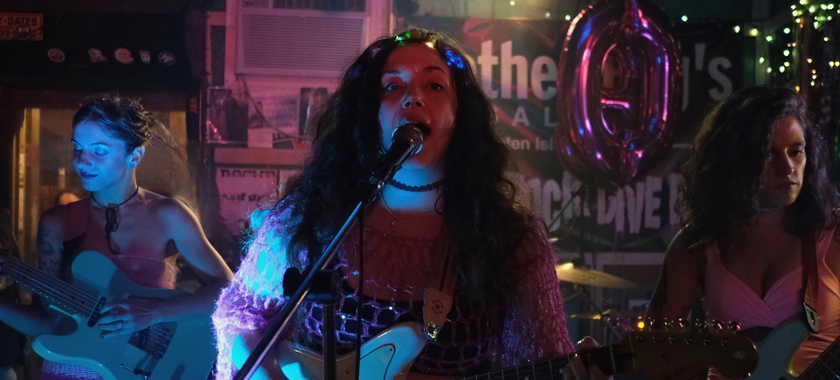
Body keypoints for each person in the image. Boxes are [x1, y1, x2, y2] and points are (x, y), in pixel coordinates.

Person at [211, 29, 586, 379]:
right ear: (370, 114)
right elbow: (242, 321)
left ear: (459, 116)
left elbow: (545, 357)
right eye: (392, 86)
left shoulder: (511, 240)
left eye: (435, 85)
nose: (413, 97)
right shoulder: (305, 218)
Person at [0, 95, 233, 380]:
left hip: (144, 370)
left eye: (99, 151)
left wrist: (155, 311)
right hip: (70, 372)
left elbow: (229, 291)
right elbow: (47, 320)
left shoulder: (168, 214)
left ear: (135, 156)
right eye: (78, 148)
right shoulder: (58, 222)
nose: (82, 161)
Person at [646, 86, 840, 379]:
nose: (787, 167)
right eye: (768, 154)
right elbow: (656, 355)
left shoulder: (833, 236)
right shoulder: (696, 245)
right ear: (734, 161)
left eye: (796, 151)